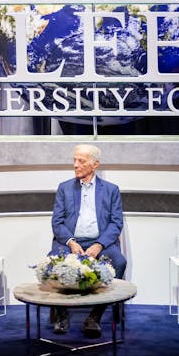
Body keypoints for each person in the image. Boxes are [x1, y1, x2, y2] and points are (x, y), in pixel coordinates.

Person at [48, 144, 127, 338]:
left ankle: (95, 317)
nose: (75, 165)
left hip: (100, 242)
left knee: (119, 262)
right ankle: (62, 314)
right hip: (69, 242)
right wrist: (71, 242)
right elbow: (57, 222)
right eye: (74, 160)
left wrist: (99, 244)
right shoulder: (64, 188)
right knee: (52, 262)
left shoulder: (111, 190)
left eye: (81, 161)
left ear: (95, 164)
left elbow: (116, 223)